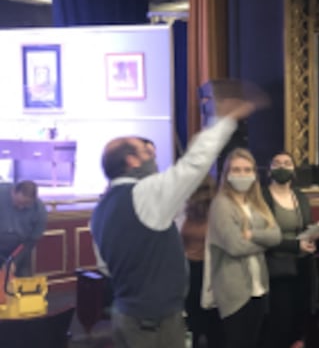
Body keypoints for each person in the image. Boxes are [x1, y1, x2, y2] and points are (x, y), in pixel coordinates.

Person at [90, 97, 259, 348]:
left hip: (125, 317)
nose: (154, 158)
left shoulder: (100, 210)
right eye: (146, 152)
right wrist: (224, 121)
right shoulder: (144, 193)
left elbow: (105, 267)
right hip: (155, 324)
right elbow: (193, 166)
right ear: (132, 161)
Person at [203, 148, 282, 348]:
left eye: (247, 170)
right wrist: (264, 243)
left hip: (259, 289)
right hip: (234, 293)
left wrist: (253, 235)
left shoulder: (257, 204)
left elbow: (277, 236)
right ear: (227, 173)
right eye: (236, 170)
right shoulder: (221, 205)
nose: (242, 174)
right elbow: (235, 246)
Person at [260, 152, 317, 348]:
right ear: (269, 170)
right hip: (274, 270)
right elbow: (262, 237)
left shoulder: (299, 196)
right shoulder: (262, 197)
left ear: (294, 170)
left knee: (297, 325)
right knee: (278, 325)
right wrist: (294, 245)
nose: (282, 167)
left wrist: (310, 237)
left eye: (287, 163)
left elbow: (303, 227)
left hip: (300, 267)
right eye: (277, 163)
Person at [181, 175, 223, 348]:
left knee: (212, 323)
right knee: (192, 325)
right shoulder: (183, 210)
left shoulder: (217, 211)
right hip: (188, 271)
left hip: (211, 271)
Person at [0, 181, 47, 277]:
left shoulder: (39, 210)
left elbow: (31, 241)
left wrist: (14, 261)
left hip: (20, 250)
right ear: (13, 192)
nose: (21, 207)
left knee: (22, 284)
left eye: (26, 204)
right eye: (18, 202)